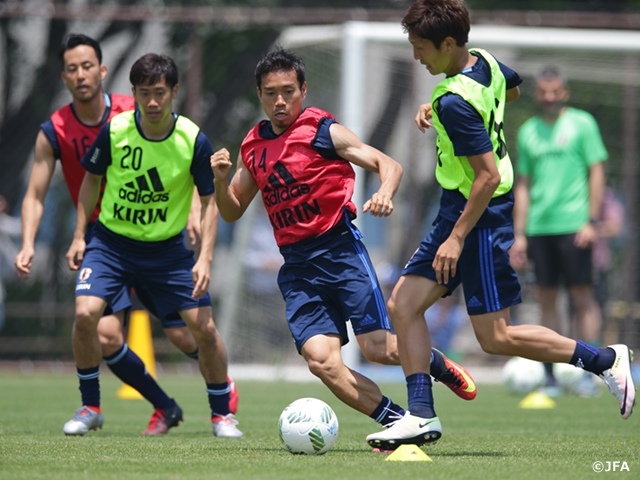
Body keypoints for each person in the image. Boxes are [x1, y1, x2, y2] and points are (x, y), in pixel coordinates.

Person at [366, 0, 635, 451]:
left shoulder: (453, 101)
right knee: (404, 305)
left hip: (479, 218)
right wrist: (448, 110)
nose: (416, 56)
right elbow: (509, 90)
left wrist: (456, 237)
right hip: (460, 208)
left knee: (496, 337)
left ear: (448, 43)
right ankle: (420, 414)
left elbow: (488, 176)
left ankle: (606, 360)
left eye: (421, 48)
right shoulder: (483, 63)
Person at [211, 47, 478, 442]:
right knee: (321, 362)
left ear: (304, 89)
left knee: (377, 349)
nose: (280, 101)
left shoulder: (323, 130)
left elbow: (390, 164)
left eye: (288, 91)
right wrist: (219, 180)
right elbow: (232, 211)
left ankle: (436, 364)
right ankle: (396, 422)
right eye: (271, 93)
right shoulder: (253, 147)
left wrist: (386, 191)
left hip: (340, 252)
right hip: (298, 267)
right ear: (259, 95)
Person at [13, 34, 237, 436]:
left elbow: (185, 176)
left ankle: (220, 400)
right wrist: (58, 237)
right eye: (72, 68)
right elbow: (41, 193)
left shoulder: (149, 117)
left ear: (102, 71)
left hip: (164, 247)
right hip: (111, 243)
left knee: (190, 335)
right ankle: (122, 407)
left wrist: (194, 220)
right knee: (96, 325)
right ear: (62, 76)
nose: (80, 75)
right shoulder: (61, 130)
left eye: (87, 67)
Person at [511, 67, 608, 397]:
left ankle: (590, 374)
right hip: (539, 228)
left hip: (575, 226)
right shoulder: (528, 131)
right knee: (547, 301)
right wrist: (520, 233)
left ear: (564, 92)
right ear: (537, 93)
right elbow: (522, 184)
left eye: (555, 91)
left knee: (582, 298)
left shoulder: (583, 124)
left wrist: (591, 221)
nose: (549, 97)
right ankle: (551, 376)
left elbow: (596, 171)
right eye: (543, 92)